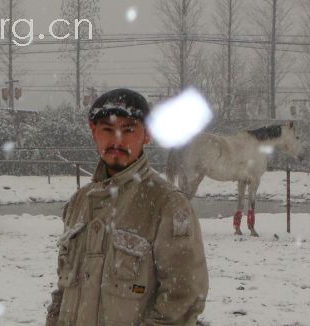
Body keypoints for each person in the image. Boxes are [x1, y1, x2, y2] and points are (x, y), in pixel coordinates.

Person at [46, 88, 209, 326]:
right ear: (93, 132)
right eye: (108, 129)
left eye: (129, 130)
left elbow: (183, 296)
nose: (117, 140)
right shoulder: (79, 202)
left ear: (147, 135)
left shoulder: (167, 203)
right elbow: (64, 289)